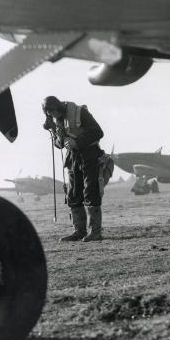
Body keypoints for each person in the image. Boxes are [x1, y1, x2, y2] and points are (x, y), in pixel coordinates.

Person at [42, 96, 105, 242]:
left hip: (90, 155)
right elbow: (60, 145)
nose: (52, 116)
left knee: (91, 192)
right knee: (73, 194)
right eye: (49, 114)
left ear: (57, 107)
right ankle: (79, 231)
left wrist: (77, 142)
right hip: (73, 159)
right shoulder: (57, 119)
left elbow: (98, 132)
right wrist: (53, 130)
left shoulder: (80, 112)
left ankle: (95, 232)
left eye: (52, 112)